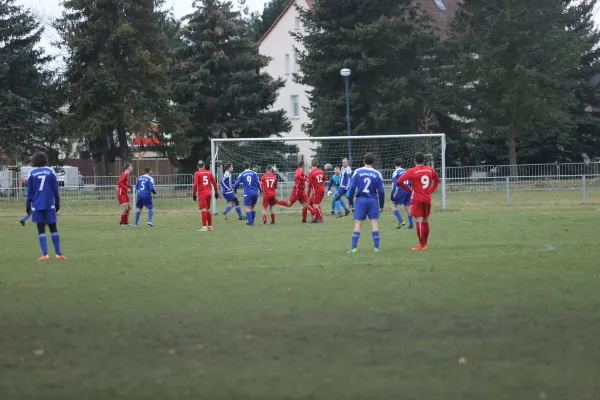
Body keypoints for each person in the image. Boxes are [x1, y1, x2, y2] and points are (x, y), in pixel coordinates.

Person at [25, 152, 66, 260]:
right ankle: (58, 254)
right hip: (49, 205)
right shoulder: (50, 171)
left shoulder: (32, 173)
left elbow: (29, 191)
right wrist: (57, 202)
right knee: (53, 228)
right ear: (45, 160)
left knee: (41, 229)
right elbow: (55, 189)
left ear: (34, 161)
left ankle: (45, 255)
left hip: (37, 206)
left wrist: (28, 204)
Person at [396, 152, 441, 250]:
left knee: (419, 220)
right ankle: (425, 244)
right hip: (427, 198)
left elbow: (399, 181)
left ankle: (421, 244)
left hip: (417, 197)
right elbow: (437, 180)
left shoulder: (412, 171)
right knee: (425, 220)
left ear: (414, 160)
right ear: (423, 160)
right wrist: (431, 190)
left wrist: (408, 189)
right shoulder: (429, 169)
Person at [347, 153, 385, 253]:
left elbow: (351, 188)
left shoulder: (357, 172)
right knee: (374, 222)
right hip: (372, 200)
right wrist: (381, 205)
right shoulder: (377, 174)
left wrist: (350, 201)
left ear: (363, 161)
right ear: (374, 162)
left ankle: (354, 248)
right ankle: (376, 248)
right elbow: (381, 191)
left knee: (358, 223)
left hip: (360, 200)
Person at [192, 160, 219, 231]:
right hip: (208, 193)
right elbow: (214, 183)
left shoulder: (197, 173)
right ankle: (210, 226)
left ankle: (204, 227)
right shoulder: (209, 172)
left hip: (202, 194)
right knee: (208, 210)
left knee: (203, 210)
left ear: (197, 166)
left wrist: (194, 194)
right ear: (204, 165)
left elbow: (195, 185)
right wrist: (216, 192)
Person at [391, 158, 414, 229]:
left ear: (394, 164)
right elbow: (410, 181)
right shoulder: (406, 171)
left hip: (401, 189)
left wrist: (392, 193)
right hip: (408, 190)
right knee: (407, 206)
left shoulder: (395, 172)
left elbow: (394, 184)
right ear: (402, 164)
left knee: (393, 206)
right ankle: (411, 224)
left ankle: (401, 221)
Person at [307, 159, 326, 223]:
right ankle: (315, 218)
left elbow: (309, 185)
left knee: (315, 205)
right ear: (317, 164)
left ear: (311, 164)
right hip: (322, 190)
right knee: (310, 203)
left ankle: (320, 219)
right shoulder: (321, 171)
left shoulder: (311, 173)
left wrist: (308, 194)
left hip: (316, 191)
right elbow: (325, 179)